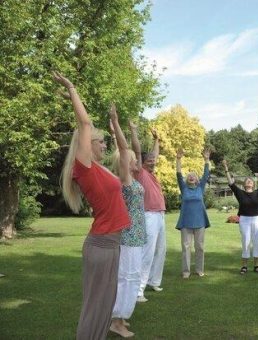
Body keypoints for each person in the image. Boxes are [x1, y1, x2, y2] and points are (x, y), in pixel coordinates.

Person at [53, 72, 130, 340]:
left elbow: (84, 126)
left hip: (111, 243)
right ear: (88, 146)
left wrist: (73, 100)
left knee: (105, 306)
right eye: (101, 142)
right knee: (95, 307)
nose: (104, 144)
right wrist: (72, 88)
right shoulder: (83, 168)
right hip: (102, 244)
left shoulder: (97, 169)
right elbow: (85, 125)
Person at [109, 112, 147, 338]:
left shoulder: (135, 176)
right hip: (128, 235)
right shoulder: (125, 179)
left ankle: (121, 317)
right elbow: (124, 151)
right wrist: (115, 122)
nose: (135, 160)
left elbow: (136, 150)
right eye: (132, 159)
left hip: (137, 235)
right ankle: (116, 320)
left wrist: (133, 130)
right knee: (127, 277)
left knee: (131, 276)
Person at [131, 125, 166, 302]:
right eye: (149, 160)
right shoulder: (140, 172)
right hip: (149, 215)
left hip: (160, 215)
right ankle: (138, 290)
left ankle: (154, 281)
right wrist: (134, 132)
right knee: (147, 252)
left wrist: (156, 140)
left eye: (153, 160)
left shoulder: (151, 173)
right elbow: (137, 151)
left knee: (160, 250)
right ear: (142, 163)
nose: (153, 161)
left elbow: (155, 154)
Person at [222, 159, 258, 274]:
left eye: (251, 180)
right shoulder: (240, 193)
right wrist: (226, 168)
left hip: (256, 219)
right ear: (245, 184)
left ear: (253, 184)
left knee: (256, 242)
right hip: (244, 219)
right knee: (245, 241)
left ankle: (256, 266)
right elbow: (231, 183)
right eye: (247, 180)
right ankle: (244, 266)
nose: (249, 181)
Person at [176, 148, 211, 279]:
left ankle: (199, 269)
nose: (191, 176)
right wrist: (178, 159)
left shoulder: (200, 188)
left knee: (200, 247)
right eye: (189, 175)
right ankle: (186, 272)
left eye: (194, 176)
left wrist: (206, 159)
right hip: (186, 222)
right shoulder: (183, 188)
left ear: (197, 180)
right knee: (186, 247)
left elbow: (206, 174)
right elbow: (179, 174)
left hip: (200, 222)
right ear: (187, 179)